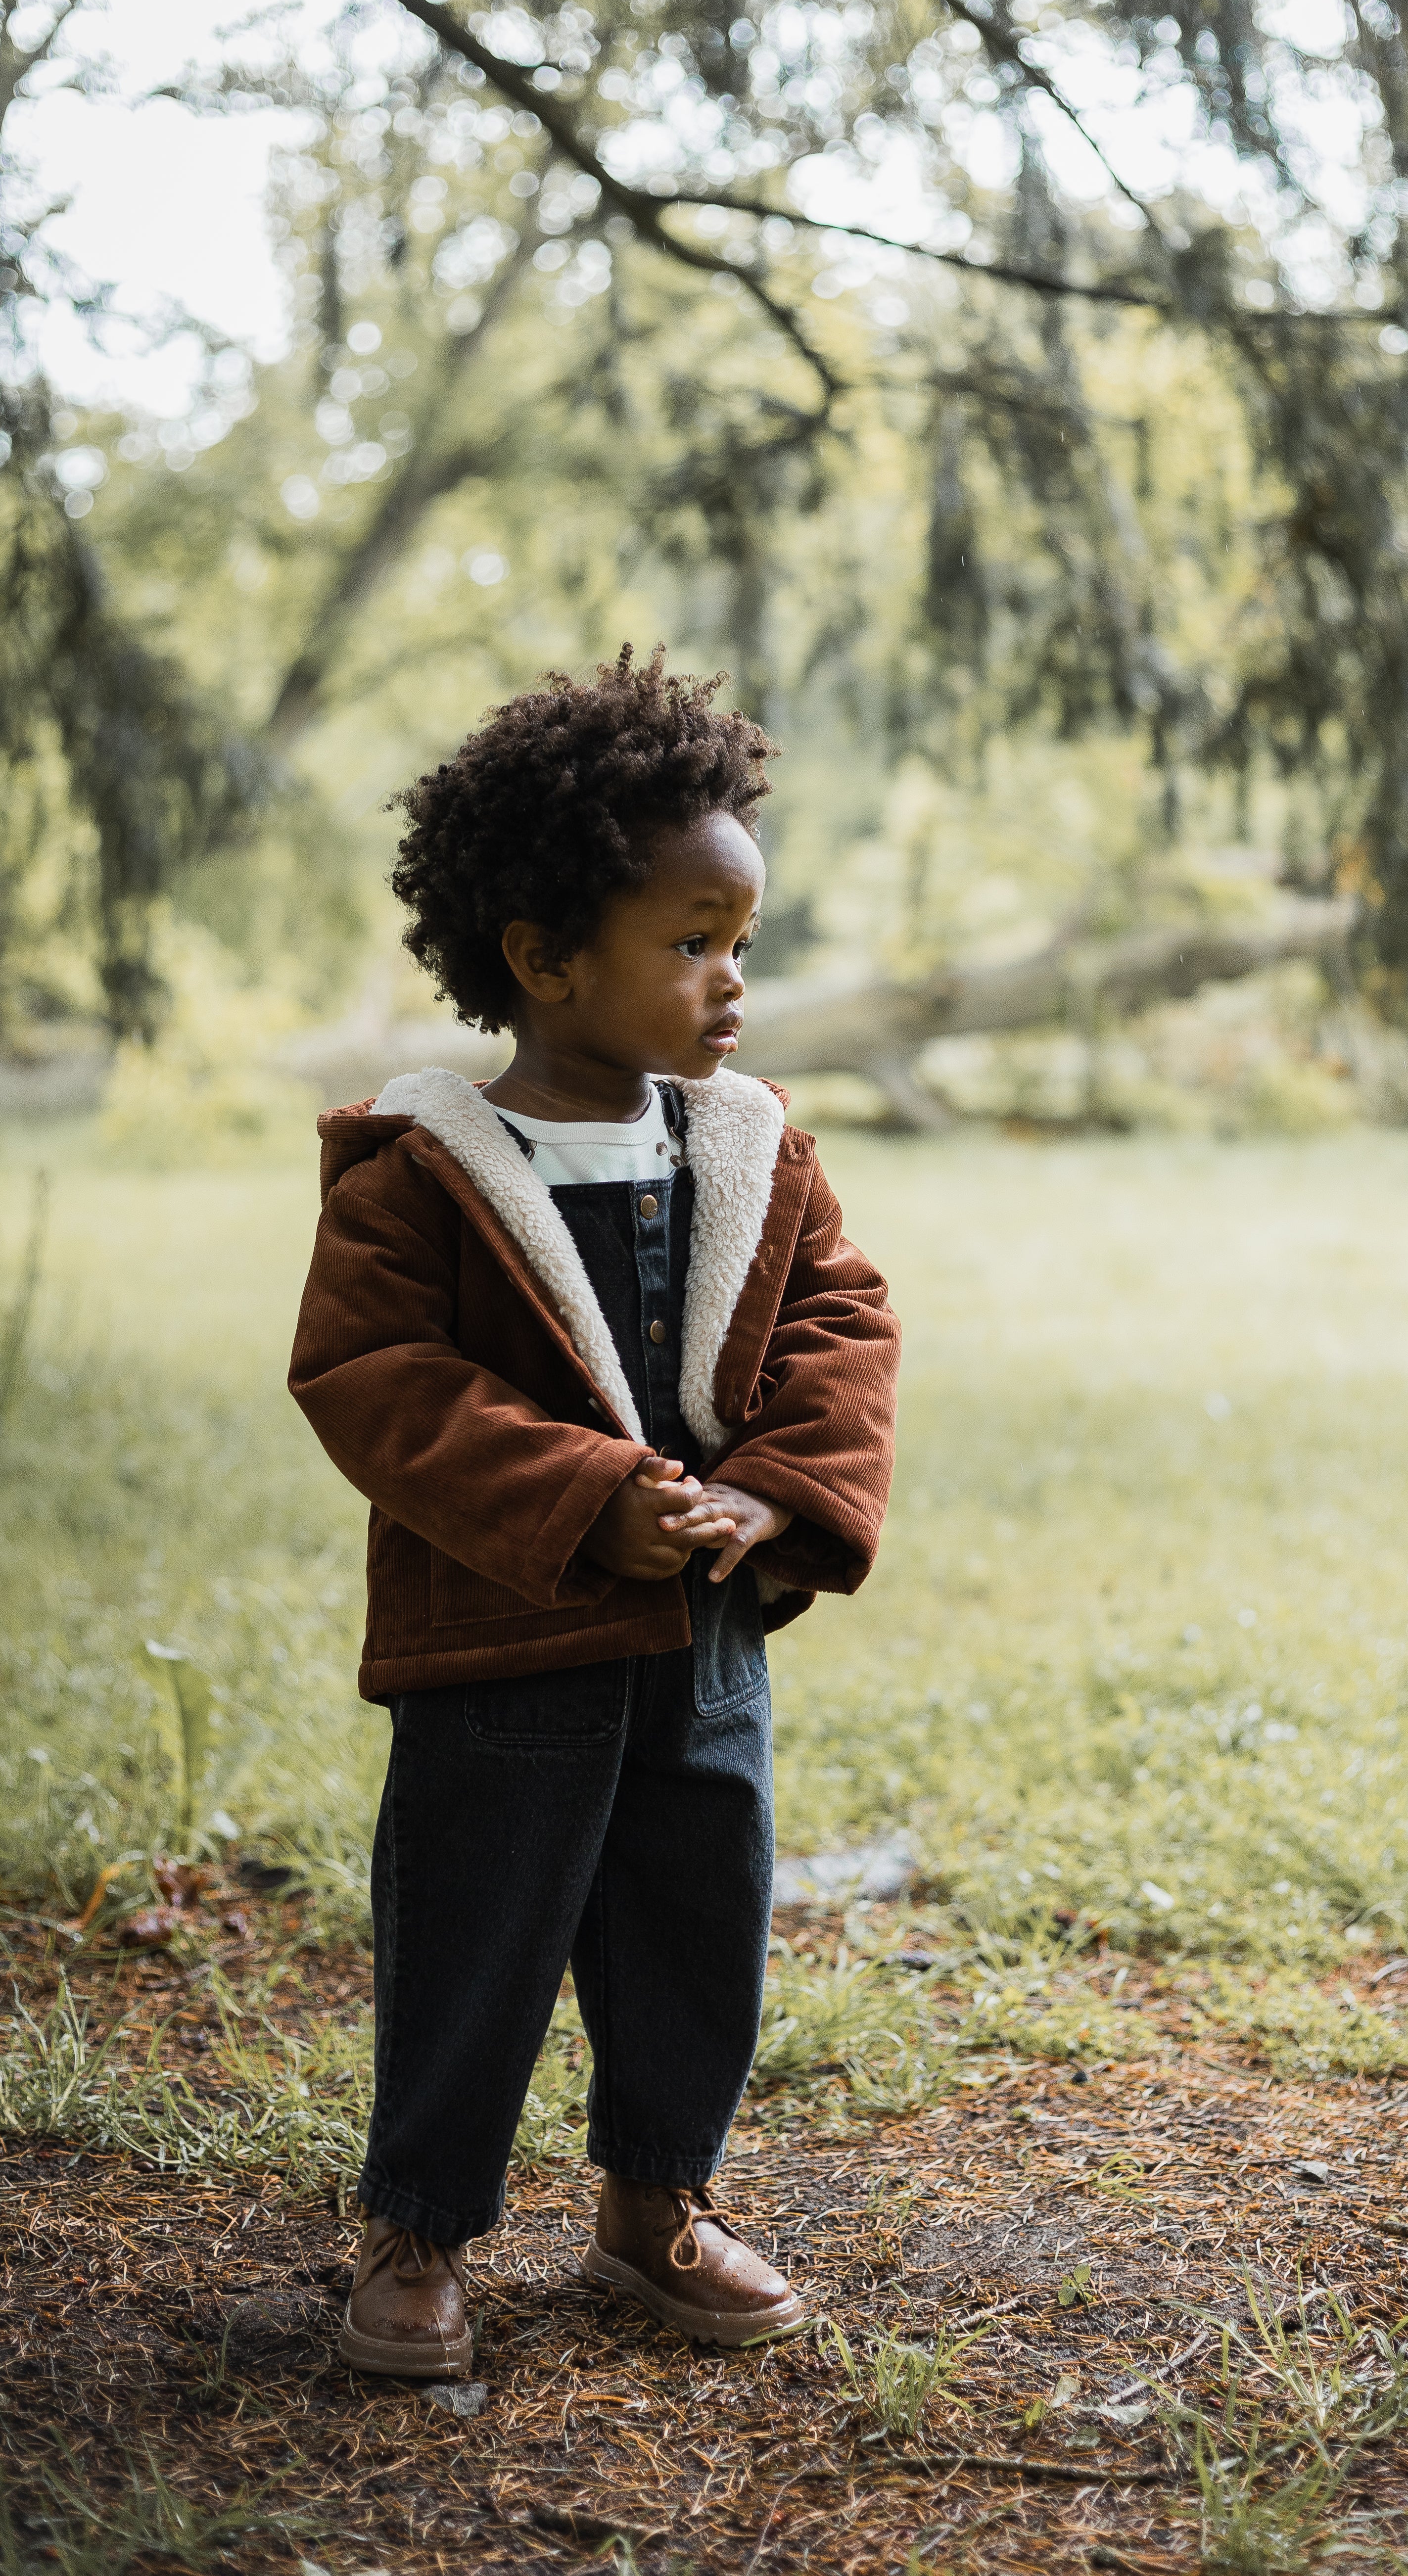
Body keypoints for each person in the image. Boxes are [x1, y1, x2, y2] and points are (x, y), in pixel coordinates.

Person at [289, 651, 900, 2381]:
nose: (731, 982)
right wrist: (589, 1502)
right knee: (475, 1923)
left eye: (742, 942)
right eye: (692, 942)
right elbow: (377, 1379)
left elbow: (842, 1321)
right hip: (504, 1635)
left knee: (696, 1915)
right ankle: (420, 2225)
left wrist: (766, 1494)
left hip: (703, 1634)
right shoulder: (419, 1171)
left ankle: (655, 2202)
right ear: (546, 958)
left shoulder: (751, 1153)